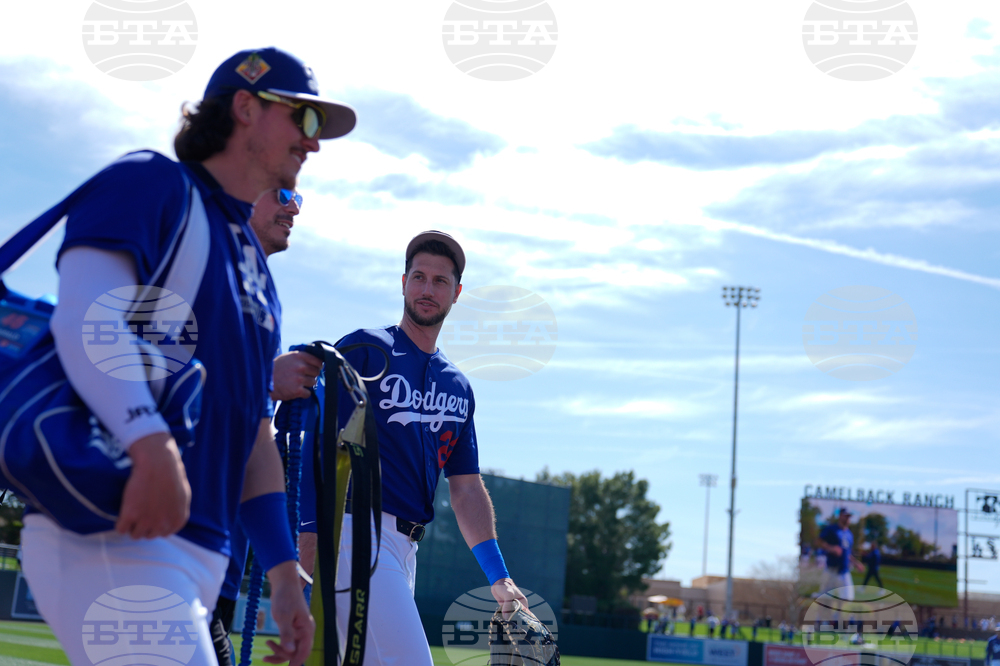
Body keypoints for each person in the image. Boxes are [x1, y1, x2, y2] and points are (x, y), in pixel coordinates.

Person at [19, 47, 355, 666]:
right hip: (114, 529)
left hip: (201, 554)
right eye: (303, 120)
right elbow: (86, 317)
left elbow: (255, 434)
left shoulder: (256, 271)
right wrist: (150, 442)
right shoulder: (152, 183)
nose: (314, 144)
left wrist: (284, 574)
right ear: (246, 108)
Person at [297, 230, 531, 665]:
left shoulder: (458, 385)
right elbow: (318, 442)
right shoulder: (365, 350)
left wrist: (498, 576)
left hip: (405, 552)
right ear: (403, 282)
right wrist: (309, 531)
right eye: (419, 277)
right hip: (353, 532)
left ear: (456, 293)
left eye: (439, 281)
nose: (427, 289)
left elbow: (465, 488)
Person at [209, 187, 323, 666]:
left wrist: (284, 576)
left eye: (297, 194)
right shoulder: (198, 259)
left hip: (218, 571)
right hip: (152, 553)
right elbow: (131, 373)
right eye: (282, 190)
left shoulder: (260, 297)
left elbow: (255, 454)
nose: (294, 207)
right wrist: (263, 379)